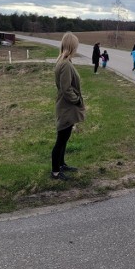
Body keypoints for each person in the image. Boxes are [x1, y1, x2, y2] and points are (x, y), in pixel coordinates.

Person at [51, 32, 85, 180]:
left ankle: (62, 164)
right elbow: (66, 89)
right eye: (76, 45)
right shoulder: (65, 64)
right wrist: (77, 100)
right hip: (66, 107)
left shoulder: (65, 61)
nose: (77, 48)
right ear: (72, 46)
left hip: (66, 106)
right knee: (61, 139)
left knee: (65, 138)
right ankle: (55, 172)